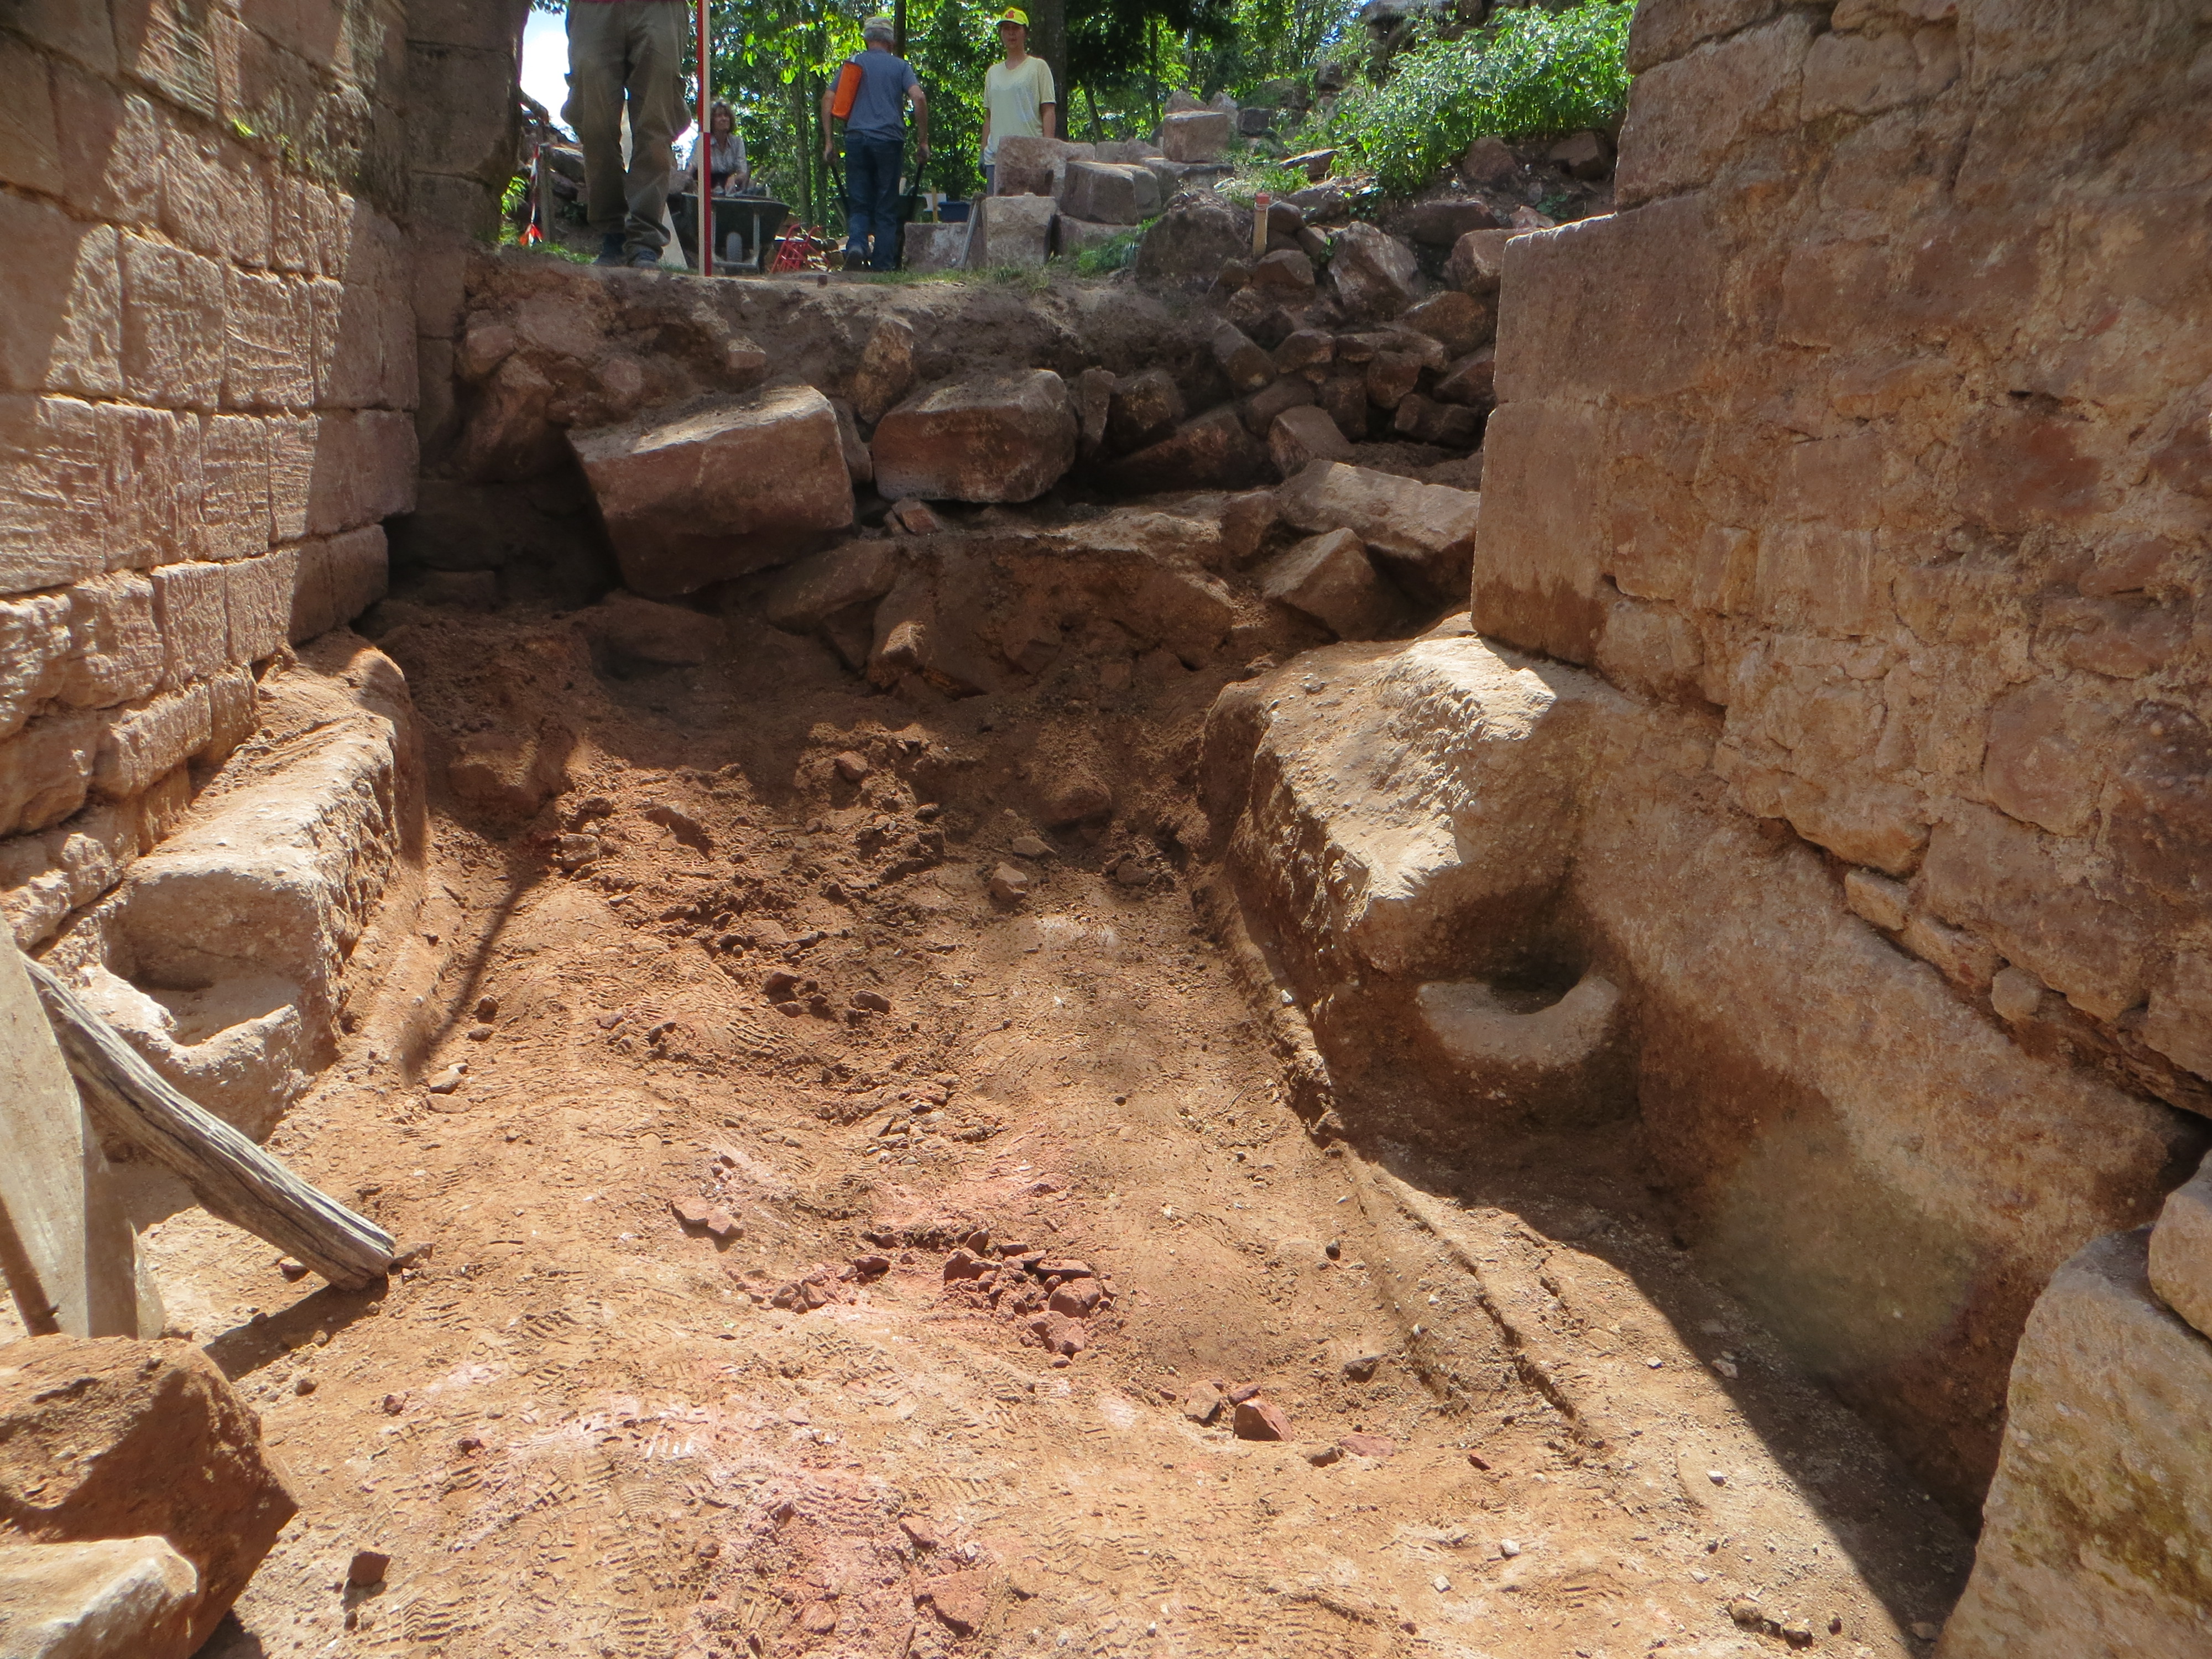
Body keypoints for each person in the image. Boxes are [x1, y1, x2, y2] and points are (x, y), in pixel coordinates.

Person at [567, 0, 686, 267]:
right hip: (594, 8)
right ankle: (614, 233)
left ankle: (644, 241)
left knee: (656, 125)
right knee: (595, 125)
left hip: (660, 8)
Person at [821, 18, 930, 273]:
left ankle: (857, 247)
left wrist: (829, 142)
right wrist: (923, 140)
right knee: (886, 205)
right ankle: (882, 264)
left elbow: (828, 98)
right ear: (891, 42)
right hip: (889, 141)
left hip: (856, 139)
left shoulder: (853, 64)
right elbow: (919, 98)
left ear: (867, 39)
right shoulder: (900, 66)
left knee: (859, 202)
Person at [979, 8, 1055, 196]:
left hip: (1029, 157)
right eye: (1006, 29)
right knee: (997, 211)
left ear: (1025, 33)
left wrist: (1048, 150)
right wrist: (982, 151)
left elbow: (1048, 110)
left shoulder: (1038, 67)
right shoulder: (993, 73)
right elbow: (989, 116)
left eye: (1016, 28)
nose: (1011, 33)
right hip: (996, 159)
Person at [684, 101, 750, 195]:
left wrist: (734, 179)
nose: (724, 119)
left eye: (726, 116)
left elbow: (743, 173)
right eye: (719, 116)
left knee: (752, 186)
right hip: (705, 191)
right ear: (711, 121)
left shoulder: (737, 142)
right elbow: (692, 167)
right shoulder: (703, 142)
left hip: (728, 192)